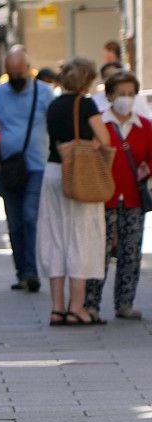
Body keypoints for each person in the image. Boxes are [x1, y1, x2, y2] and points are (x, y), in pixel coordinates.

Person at [38, 57, 112, 326]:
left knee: (56, 237)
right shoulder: (87, 104)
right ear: (87, 80)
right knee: (81, 237)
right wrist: (92, 144)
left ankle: (56, 308)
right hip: (81, 176)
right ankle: (77, 307)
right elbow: (104, 139)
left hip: (53, 172)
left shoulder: (54, 104)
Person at [0, 46, 53, 293]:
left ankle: (32, 270)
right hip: (8, 166)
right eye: (11, 74)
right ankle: (22, 273)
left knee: (29, 215)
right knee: (14, 222)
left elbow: (55, 125)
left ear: (28, 69)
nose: (15, 78)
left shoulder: (44, 93)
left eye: (19, 73)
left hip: (37, 165)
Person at [85, 70, 150, 321]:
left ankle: (125, 303)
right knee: (99, 252)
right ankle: (91, 303)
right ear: (110, 95)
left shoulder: (145, 127)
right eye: (121, 93)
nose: (127, 98)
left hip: (133, 198)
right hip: (104, 198)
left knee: (130, 252)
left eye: (131, 94)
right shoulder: (100, 124)